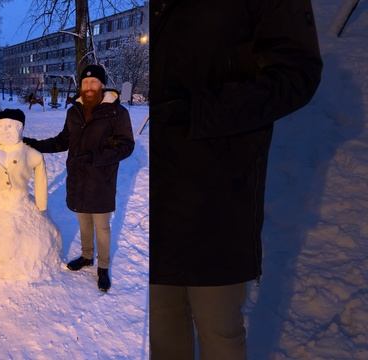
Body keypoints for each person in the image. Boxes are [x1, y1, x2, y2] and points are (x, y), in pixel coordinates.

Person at [149, 0, 323, 358]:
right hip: (156, 194)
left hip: (217, 189)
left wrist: (199, 113)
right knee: (162, 328)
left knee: (218, 329)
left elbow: (298, 72)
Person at [24, 64, 135, 292]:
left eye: (94, 82)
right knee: (83, 219)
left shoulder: (117, 112)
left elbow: (126, 146)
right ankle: (86, 257)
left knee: (101, 226)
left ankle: (103, 267)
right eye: (85, 83)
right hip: (78, 177)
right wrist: (35, 144)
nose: (89, 87)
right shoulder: (73, 111)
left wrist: (95, 157)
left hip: (101, 178)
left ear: (102, 85)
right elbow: (63, 140)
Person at [0, 109, 61, 281]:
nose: (5, 130)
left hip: (21, 202)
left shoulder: (32, 154)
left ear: (20, 128)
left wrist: (41, 204)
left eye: (10, 126)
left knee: (30, 244)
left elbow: (41, 181)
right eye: (0, 126)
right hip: (0, 204)